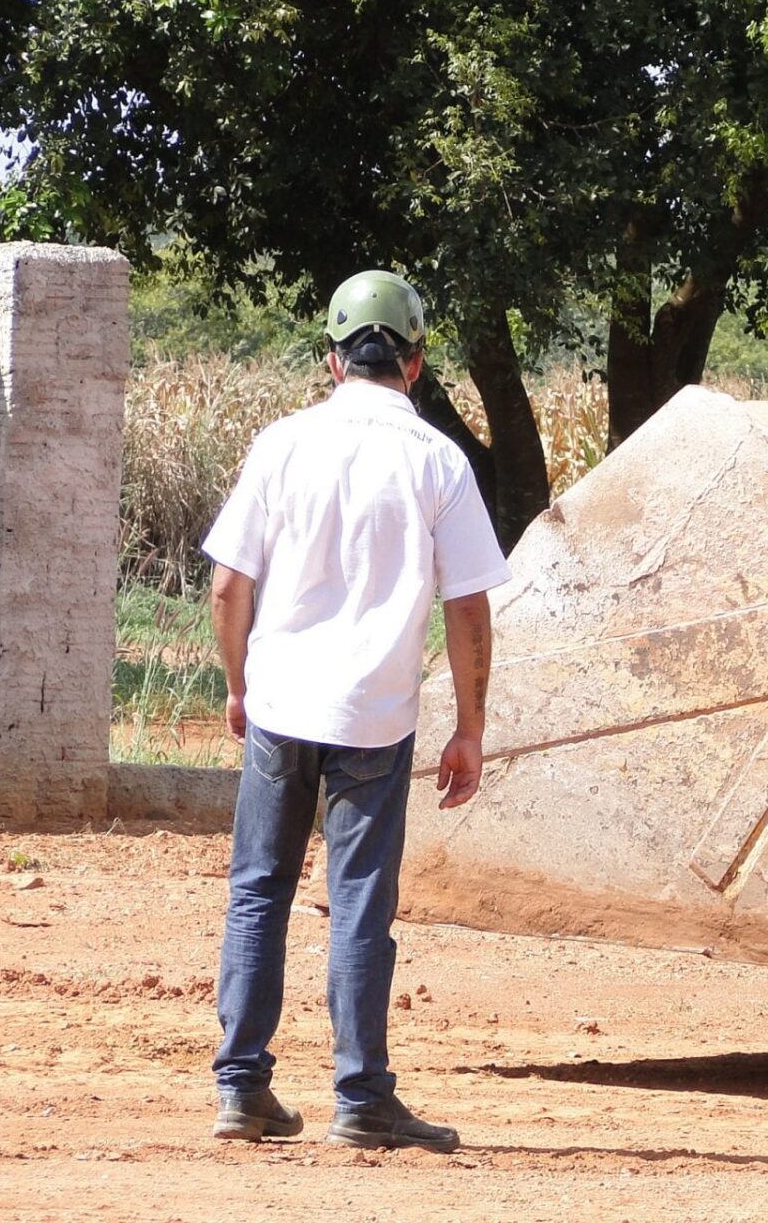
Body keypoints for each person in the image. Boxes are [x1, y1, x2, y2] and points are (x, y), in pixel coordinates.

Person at [203, 270, 511, 1153]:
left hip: (281, 706)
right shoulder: (438, 461)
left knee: (258, 890)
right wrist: (471, 726)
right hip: (375, 717)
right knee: (359, 902)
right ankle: (361, 1096)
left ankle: (241, 1087)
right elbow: (468, 607)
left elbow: (229, 584)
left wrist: (239, 685)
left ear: (333, 361)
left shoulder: (282, 444)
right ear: (414, 364)